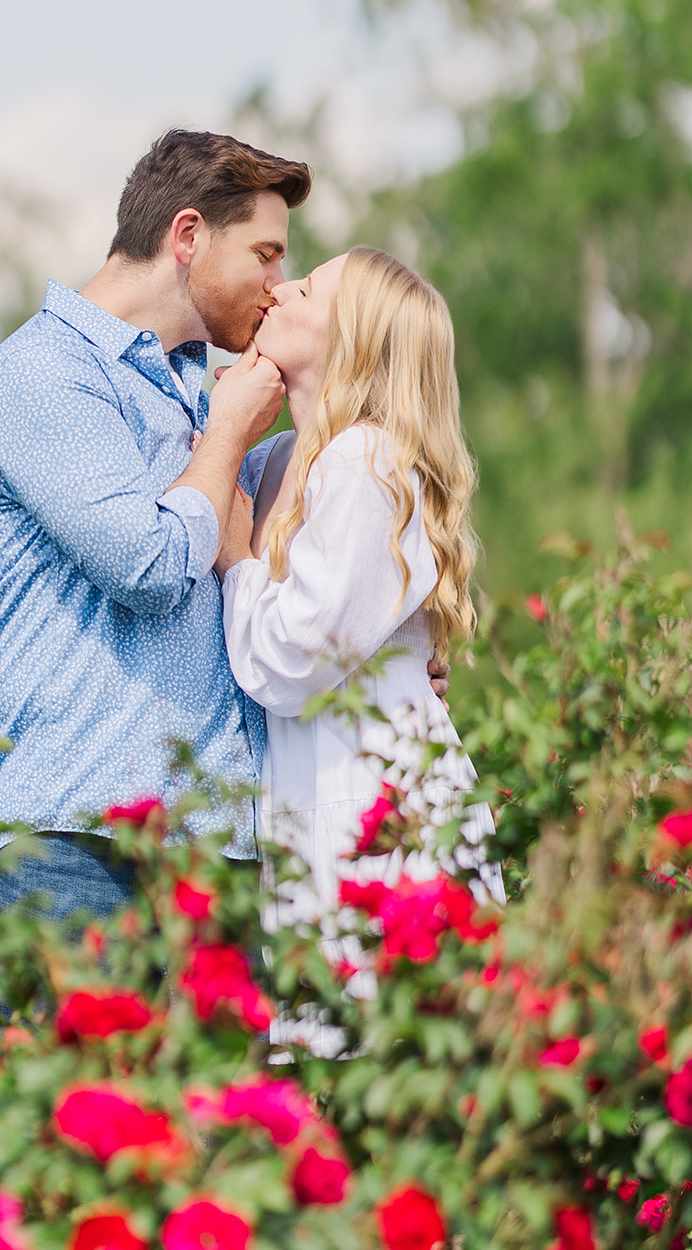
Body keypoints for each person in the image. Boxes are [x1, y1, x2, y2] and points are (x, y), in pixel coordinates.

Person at [0, 130, 306, 923]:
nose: (277, 285)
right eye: (265, 254)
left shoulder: (196, 390)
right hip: (76, 852)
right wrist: (223, 439)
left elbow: (267, 568)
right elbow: (146, 567)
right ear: (187, 237)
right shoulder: (43, 374)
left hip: (219, 856)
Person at [216, 247, 504, 919]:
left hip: (370, 795)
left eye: (308, 290)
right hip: (321, 787)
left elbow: (298, 655)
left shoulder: (365, 462)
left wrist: (234, 558)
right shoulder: (286, 458)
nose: (280, 291)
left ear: (350, 342)